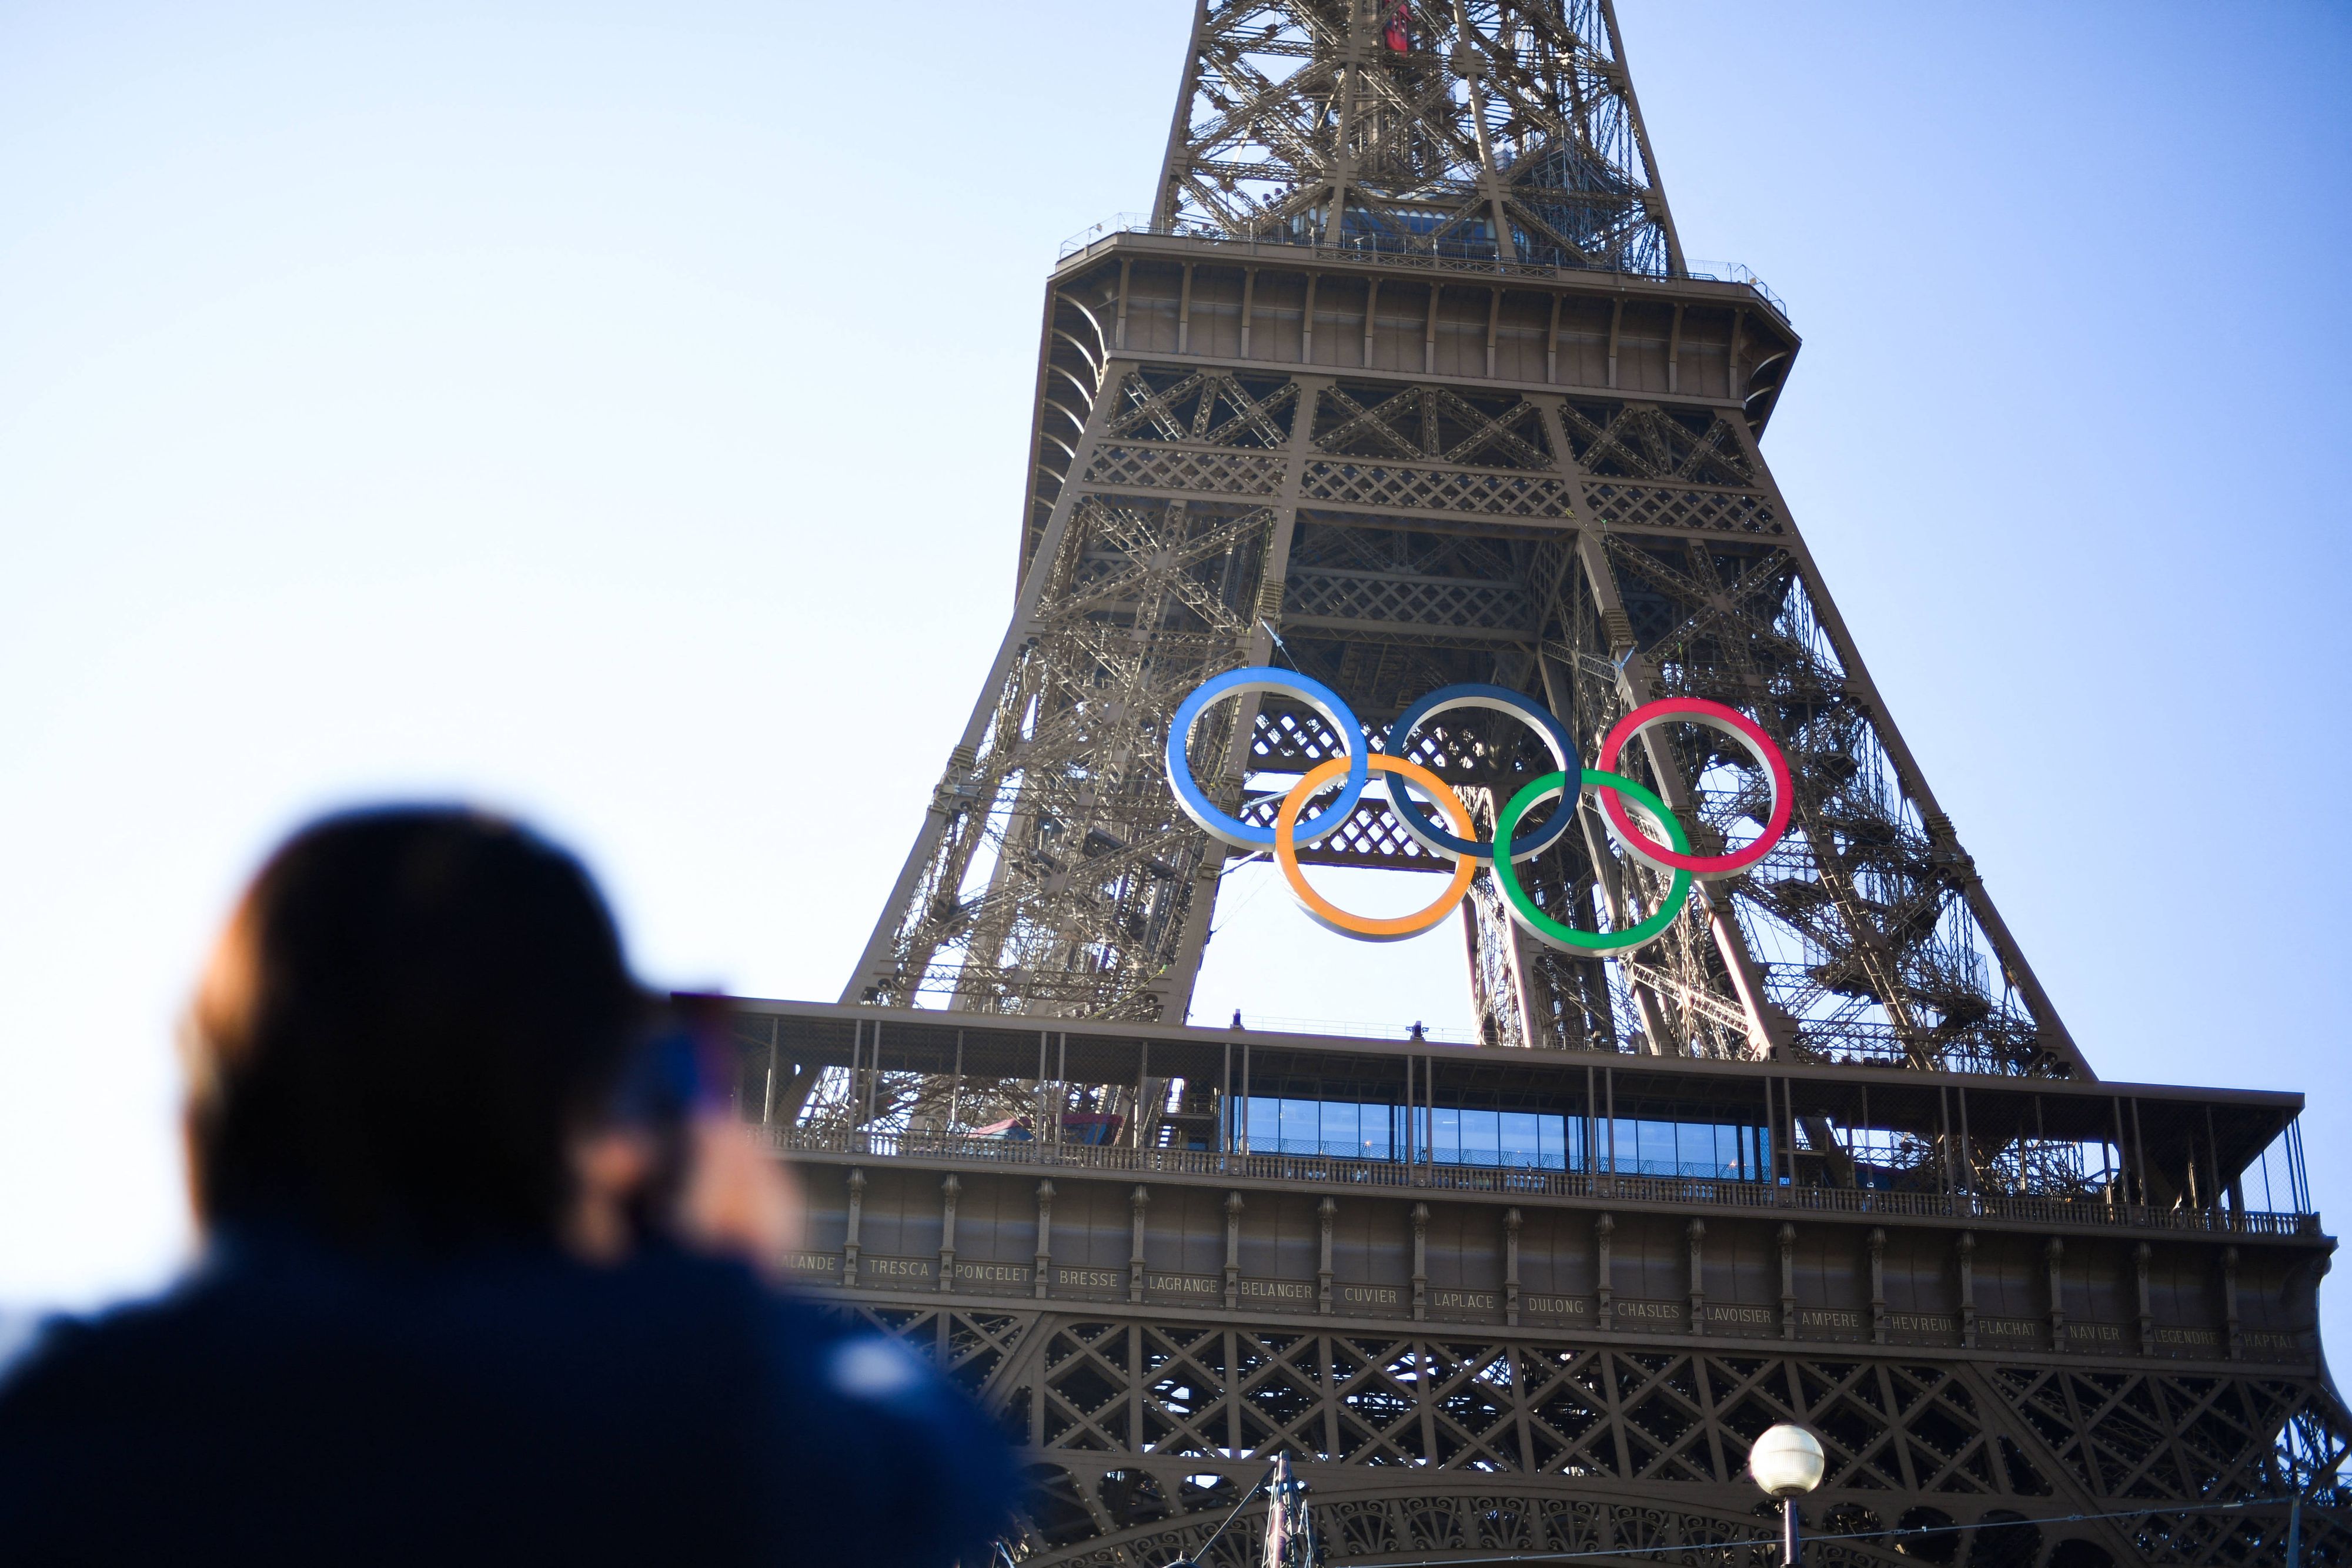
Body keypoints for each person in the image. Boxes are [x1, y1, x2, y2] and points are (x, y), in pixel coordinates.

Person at [0, 807, 1018, 1567]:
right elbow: (949, 1459)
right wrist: (729, 1269)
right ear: (589, 1110)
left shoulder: (50, 1428)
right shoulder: (707, 1433)